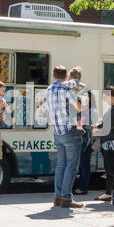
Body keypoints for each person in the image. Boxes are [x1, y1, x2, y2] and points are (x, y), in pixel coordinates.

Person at [46, 65, 84, 208]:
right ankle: (66, 198)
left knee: (61, 164)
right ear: (66, 76)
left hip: (57, 131)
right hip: (69, 130)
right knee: (71, 166)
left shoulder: (49, 89)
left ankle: (57, 197)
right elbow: (78, 107)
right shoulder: (66, 89)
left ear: (53, 75)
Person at [64, 66, 98, 195]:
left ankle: (74, 188)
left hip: (77, 132)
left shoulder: (69, 91)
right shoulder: (86, 91)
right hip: (87, 133)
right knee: (84, 163)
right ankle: (82, 187)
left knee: (73, 163)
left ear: (70, 77)